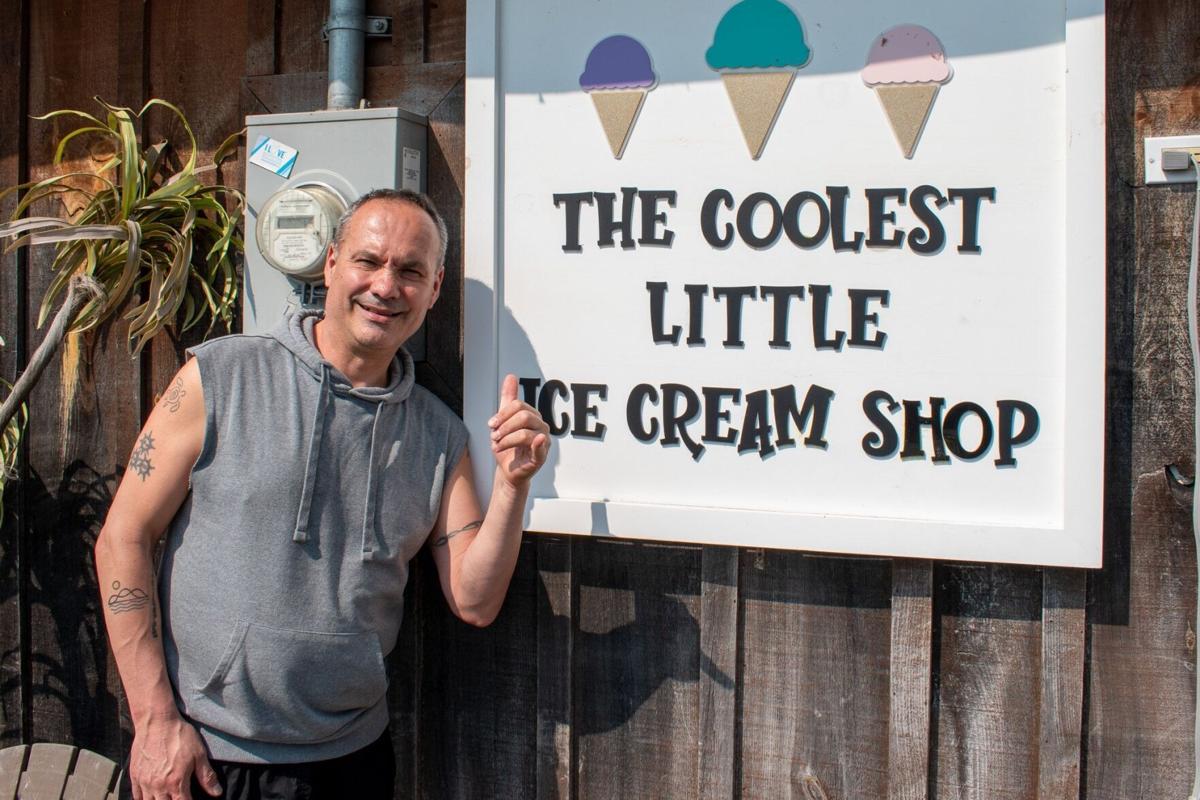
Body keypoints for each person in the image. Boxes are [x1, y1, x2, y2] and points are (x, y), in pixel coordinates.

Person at [94, 188, 550, 800]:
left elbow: (475, 599)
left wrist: (515, 486)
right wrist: (154, 722)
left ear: (435, 288)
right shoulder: (219, 378)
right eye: (369, 261)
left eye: (411, 271)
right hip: (200, 756)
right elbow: (123, 537)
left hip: (349, 765)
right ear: (331, 263)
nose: (386, 287)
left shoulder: (440, 437)